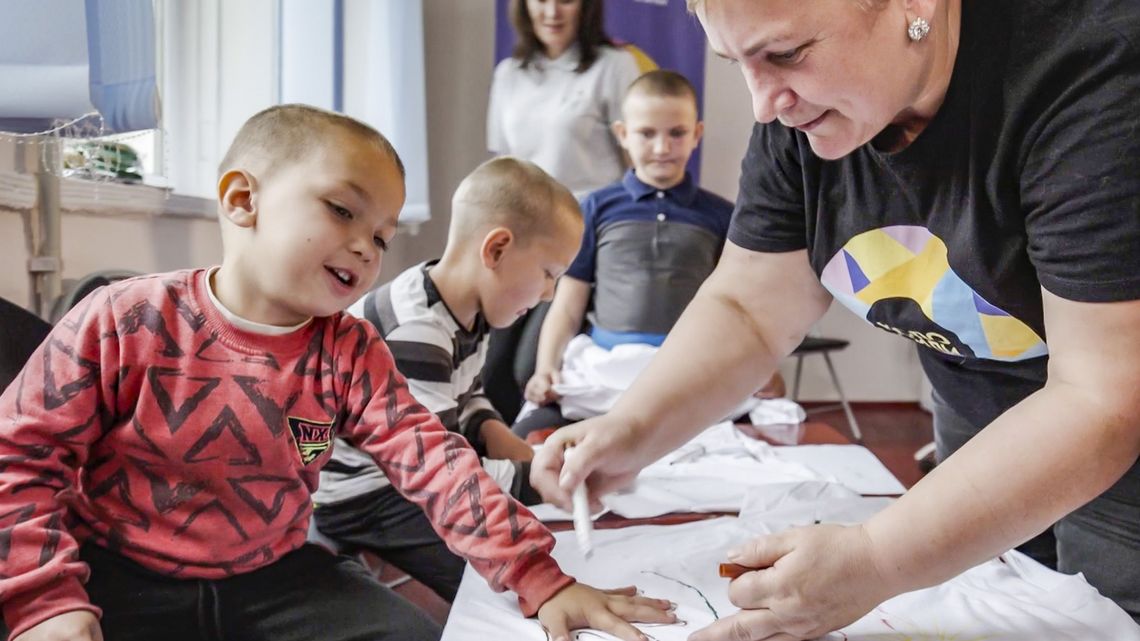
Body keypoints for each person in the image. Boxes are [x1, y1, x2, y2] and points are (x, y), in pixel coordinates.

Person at [531, 0, 1140, 639]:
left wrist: (878, 559)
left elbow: (1100, 397)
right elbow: (749, 306)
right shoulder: (805, 113)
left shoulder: (1093, 74)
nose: (765, 105)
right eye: (737, 61)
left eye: (787, 54)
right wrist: (634, 426)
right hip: (983, 415)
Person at [0, 104, 676, 641]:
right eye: (342, 209)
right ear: (242, 200)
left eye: (381, 234)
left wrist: (540, 576)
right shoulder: (122, 318)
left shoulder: (348, 351)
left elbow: (436, 462)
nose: (366, 244)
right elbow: (21, 458)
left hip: (273, 575)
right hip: (122, 574)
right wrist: (44, 598)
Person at [313, 156, 583, 603]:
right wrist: (537, 476)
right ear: (496, 250)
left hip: (422, 466)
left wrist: (517, 450)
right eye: (548, 275)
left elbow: (468, 395)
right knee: (491, 585)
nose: (549, 295)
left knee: (525, 508)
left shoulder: (467, 309)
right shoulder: (417, 331)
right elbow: (437, 470)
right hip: (368, 494)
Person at [516, 69, 783, 437]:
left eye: (676, 133)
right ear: (623, 135)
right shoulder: (594, 209)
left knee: (767, 432)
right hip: (604, 368)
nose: (662, 148)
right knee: (529, 437)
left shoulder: (721, 215)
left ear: (696, 135)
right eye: (646, 133)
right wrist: (546, 367)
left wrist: (764, 367)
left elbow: (740, 308)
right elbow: (567, 306)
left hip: (687, 368)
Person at [483, 0, 644, 426]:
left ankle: (542, 466)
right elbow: (505, 166)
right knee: (490, 368)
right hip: (520, 237)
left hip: (582, 242)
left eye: (566, 0)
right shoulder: (510, 74)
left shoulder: (614, 66)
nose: (552, 11)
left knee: (528, 370)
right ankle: (497, 471)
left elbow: (637, 166)